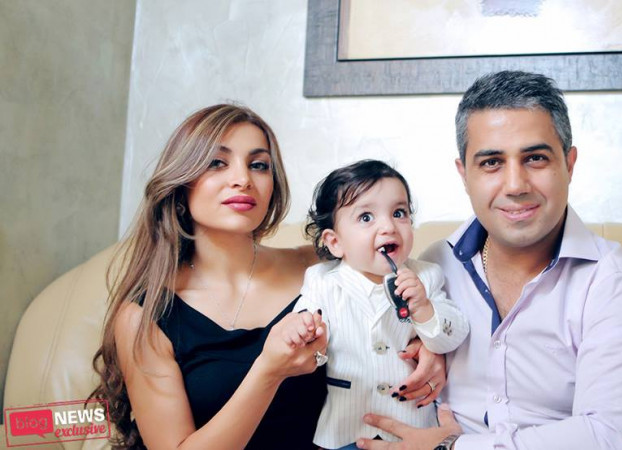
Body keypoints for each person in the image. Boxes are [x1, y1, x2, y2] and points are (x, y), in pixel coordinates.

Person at [91, 105, 444, 449]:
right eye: (217, 162)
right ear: (182, 183)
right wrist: (268, 372)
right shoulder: (145, 316)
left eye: (258, 165)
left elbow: (411, 297)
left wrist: (433, 348)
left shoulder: (324, 267)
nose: (243, 179)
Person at [358, 71, 622, 449]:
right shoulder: (433, 267)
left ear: (569, 164)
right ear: (464, 174)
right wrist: (427, 346)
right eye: (491, 163)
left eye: (535, 158)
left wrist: (451, 448)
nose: (515, 185)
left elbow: (615, 438)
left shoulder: (612, 283)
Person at [285, 160, 470, 450]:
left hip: (413, 425)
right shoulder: (322, 281)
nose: (388, 226)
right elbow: (304, 328)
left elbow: (452, 336)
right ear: (335, 242)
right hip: (345, 427)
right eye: (366, 217)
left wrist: (424, 309)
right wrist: (302, 328)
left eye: (399, 213)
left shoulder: (426, 276)